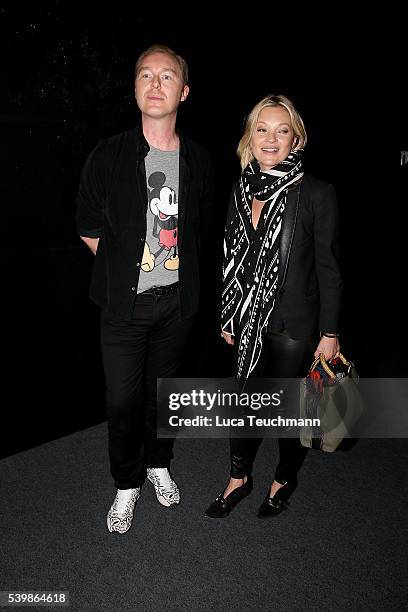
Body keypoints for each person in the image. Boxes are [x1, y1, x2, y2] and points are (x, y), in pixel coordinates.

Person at [76, 44, 214, 533]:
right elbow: (89, 227)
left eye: (167, 76)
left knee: (163, 398)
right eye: (146, 75)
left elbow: (199, 232)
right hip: (122, 308)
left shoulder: (199, 161)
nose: (156, 84)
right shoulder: (109, 155)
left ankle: (158, 464)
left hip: (177, 308)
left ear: (184, 91)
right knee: (122, 402)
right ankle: (126, 485)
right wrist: (128, 275)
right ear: (135, 88)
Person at [205, 94, 343, 519]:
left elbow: (329, 269)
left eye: (282, 130)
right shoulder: (241, 187)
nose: (271, 138)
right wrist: (230, 314)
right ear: (251, 136)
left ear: (295, 139)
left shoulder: (317, 193)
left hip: (293, 324)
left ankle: (283, 477)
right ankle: (238, 478)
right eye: (262, 129)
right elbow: (230, 258)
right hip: (248, 321)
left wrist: (330, 332)